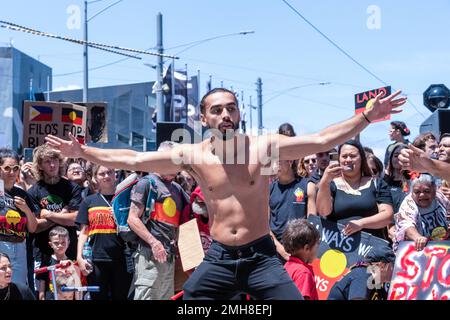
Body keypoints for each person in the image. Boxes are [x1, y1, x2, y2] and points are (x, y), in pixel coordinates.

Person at [46, 87, 406, 300]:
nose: (225, 115)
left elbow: (323, 139)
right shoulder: (194, 154)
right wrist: (84, 153)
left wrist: (365, 117)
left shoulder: (264, 147)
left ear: (239, 113)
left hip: (261, 256)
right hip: (218, 258)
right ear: (204, 118)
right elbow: (136, 157)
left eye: (231, 108)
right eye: (216, 110)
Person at [128, 142, 190, 300]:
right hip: (149, 255)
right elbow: (132, 219)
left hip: (168, 257)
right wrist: (154, 243)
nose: (178, 167)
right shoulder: (146, 183)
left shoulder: (176, 188)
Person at [316, 140, 394, 239]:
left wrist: (361, 224)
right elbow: (323, 212)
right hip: (338, 248)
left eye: (352, 156)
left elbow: (387, 216)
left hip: (370, 249)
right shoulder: (331, 185)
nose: (348, 160)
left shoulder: (377, 183)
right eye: (344, 156)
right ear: (339, 159)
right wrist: (324, 182)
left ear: (361, 159)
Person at [76, 164, 132, 300]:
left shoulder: (125, 199)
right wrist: (79, 257)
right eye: (102, 174)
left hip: (122, 258)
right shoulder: (88, 201)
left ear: (115, 175)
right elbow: (84, 232)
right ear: (95, 178)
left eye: (109, 172)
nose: (106, 176)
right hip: (96, 260)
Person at [28, 144, 82, 265]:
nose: (52, 165)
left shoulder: (72, 188)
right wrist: (63, 215)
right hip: (43, 253)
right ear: (40, 166)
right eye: (47, 162)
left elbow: (74, 219)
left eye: (55, 160)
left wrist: (48, 214)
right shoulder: (33, 191)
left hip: (69, 252)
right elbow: (35, 227)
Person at [0, 148, 39, 287]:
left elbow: (33, 228)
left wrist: (26, 209)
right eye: (7, 168)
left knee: (18, 289)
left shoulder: (22, 194)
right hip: (1, 245)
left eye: (15, 168)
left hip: (20, 247)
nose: (12, 172)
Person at [394, 174, 450, 252]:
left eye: (426, 191)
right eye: (417, 192)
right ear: (411, 192)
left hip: (443, 245)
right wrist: (418, 237)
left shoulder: (439, 197)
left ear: (434, 190)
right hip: (418, 251)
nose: (422, 195)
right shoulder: (408, 204)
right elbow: (406, 226)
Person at [328, 244, 395, 300]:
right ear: (382, 265)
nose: (394, 271)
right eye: (393, 266)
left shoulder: (376, 282)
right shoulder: (362, 276)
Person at [37, 226, 81, 300]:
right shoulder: (47, 262)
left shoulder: (72, 263)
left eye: (63, 242)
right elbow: (42, 285)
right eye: (56, 243)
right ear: (51, 244)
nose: (60, 245)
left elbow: (77, 285)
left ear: (68, 242)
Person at [282, 219, 320, 300]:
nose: (317, 250)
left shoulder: (287, 266)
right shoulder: (303, 273)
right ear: (306, 248)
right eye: (316, 245)